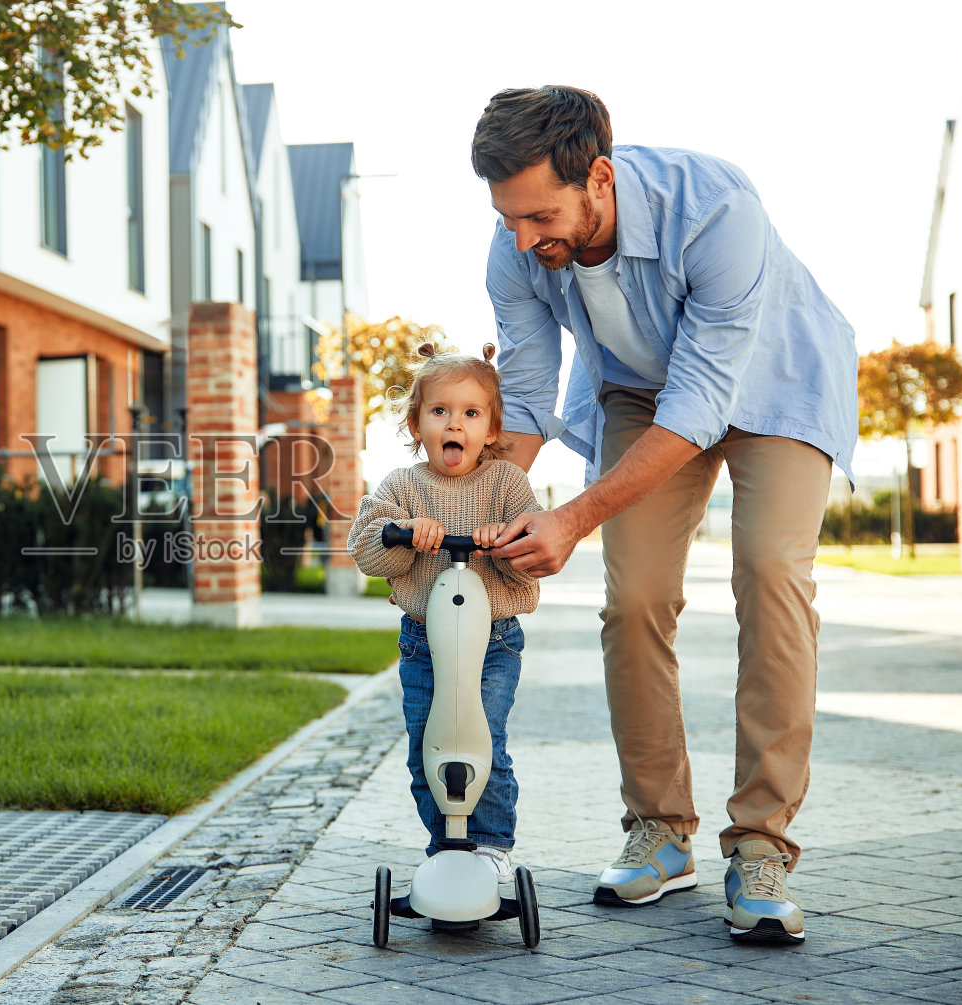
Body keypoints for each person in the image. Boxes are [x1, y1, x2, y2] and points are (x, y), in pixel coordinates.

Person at [470, 85, 857, 944]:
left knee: (770, 573)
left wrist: (571, 517)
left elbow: (704, 400)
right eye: (508, 218)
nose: (525, 240)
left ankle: (759, 843)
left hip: (777, 384)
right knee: (635, 596)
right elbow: (528, 397)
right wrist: (470, 513)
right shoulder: (517, 248)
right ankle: (660, 830)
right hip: (639, 392)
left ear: (598, 177)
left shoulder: (717, 209)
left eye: (538, 215)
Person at [347, 343, 543, 889]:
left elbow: (532, 562)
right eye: (440, 412)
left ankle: (492, 845)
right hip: (423, 642)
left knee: (483, 740)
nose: (454, 423)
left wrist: (503, 543)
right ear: (417, 424)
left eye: (470, 413)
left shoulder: (507, 486)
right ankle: (443, 847)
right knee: (426, 747)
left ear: (491, 427)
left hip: (494, 641)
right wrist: (407, 535)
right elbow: (365, 550)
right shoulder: (403, 487)